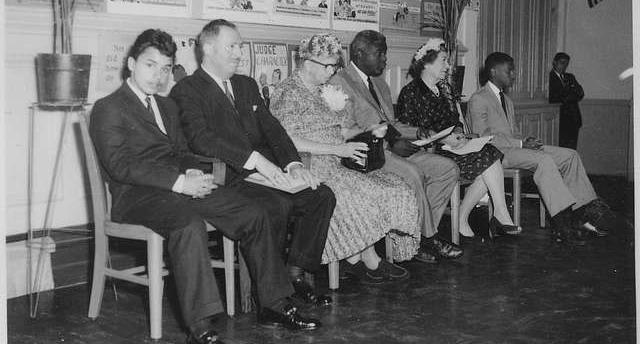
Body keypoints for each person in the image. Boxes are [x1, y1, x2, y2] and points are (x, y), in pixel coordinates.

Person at [90, 29, 323, 344]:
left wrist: (193, 174)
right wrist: (178, 182)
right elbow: (120, 165)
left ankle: (274, 303)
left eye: (166, 68)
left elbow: (182, 152)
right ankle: (201, 332)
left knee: (252, 211)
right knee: (188, 225)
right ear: (131, 64)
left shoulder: (167, 107)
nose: (158, 75)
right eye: (150, 66)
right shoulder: (108, 108)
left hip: (179, 186)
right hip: (136, 197)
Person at [170, 19, 337, 306]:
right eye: (231, 46)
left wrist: (293, 165)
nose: (238, 53)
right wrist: (254, 160)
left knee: (320, 196)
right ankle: (268, 299)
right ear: (208, 48)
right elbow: (201, 140)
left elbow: (273, 129)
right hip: (228, 178)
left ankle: (295, 274)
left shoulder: (245, 84)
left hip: (264, 173)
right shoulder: (187, 90)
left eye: (240, 46)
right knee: (277, 205)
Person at [271, 34, 421, 283]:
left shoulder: (322, 91)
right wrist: (338, 150)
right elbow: (286, 141)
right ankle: (366, 260)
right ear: (308, 63)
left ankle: (357, 258)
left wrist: (367, 131)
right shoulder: (287, 92)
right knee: (365, 195)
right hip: (309, 166)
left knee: (393, 187)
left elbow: (339, 131)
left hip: (337, 162)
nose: (332, 71)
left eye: (334, 65)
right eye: (327, 66)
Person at [330, 30, 462, 263]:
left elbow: (392, 123)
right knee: (413, 174)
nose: (385, 60)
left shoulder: (380, 82)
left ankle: (415, 236)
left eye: (385, 54)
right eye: (380, 54)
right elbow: (346, 131)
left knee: (447, 169)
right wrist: (391, 141)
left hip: (393, 148)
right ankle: (429, 238)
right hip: (370, 155)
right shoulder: (340, 82)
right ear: (360, 54)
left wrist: (420, 133)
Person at [468, 52, 611, 244]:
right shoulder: (479, 99)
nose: (513, 75)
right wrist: (520, 144)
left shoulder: (507, 100)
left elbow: (512, 132)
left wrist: (525, 139)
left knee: (570, 155)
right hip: (496, 154)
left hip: (514, 148)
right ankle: (561, 225)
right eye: (509, 71)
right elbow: (483, 137)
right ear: (493, 72)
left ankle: (579, 216)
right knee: (544, 160)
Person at [396, 39, 520, 239]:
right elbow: (410, 133)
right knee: (488, 162)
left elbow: (456, 121)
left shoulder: (445, 89)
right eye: (443, 61)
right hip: (430, 152)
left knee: (491, 155)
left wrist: (460, 133)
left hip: (454, 147)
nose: (448, 66)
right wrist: (444, 140)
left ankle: (474, 214)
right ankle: (489, 215)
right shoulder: (410, 93)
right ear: (426, 64)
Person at [549, 52, 584, 149]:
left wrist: (567, 96)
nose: (564, 66)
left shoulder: (570, 77)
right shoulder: (549, 78)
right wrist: (571, 95)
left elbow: (580, 93)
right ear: (554, 63)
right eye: (562, 63)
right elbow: (556, 97)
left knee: (572, 149)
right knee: (562, 149)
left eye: (566, 64)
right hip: (561, 121)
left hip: (574, 119)